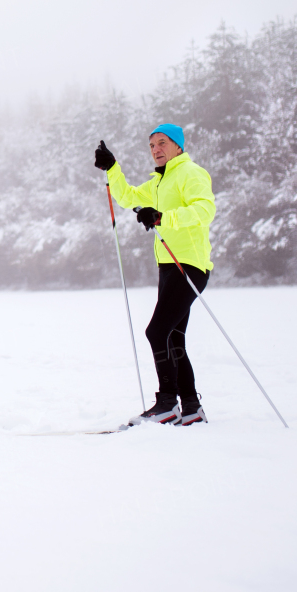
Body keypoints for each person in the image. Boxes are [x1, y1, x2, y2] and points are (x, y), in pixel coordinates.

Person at [94, 124, 215, 427]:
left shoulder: (191, 173)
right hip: (167, 266)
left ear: (178, 146)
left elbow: (204, 210)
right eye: (151, 145)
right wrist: (112, 168)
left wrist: (162, 217)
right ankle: (191, 408)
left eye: (162, 143)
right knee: (174, 337)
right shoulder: (158, 183)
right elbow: (126, 197)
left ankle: (166, 404)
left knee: (156, 331)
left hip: (189, 265)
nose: (156, 149)